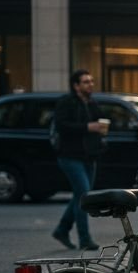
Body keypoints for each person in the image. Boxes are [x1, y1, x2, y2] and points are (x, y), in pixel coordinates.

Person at [51, 69, 107, 251]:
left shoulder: (92, 102)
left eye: (91, 81)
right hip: (70, 156)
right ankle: (85, 238)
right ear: (76, 86)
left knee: (80, 195)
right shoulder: (66, 102)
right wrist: (87, 127)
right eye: (86, 82)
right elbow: (61, 125)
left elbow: (100, 120)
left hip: (89, 156)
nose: (90, 84)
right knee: (84, 195)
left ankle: (62, 229)